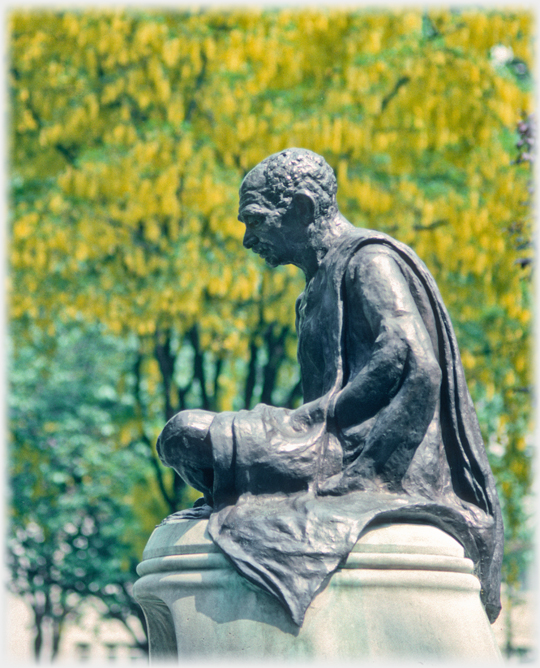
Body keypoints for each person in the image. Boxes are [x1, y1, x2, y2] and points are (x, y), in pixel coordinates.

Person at [157, 148, 503, 626]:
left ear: (299, 208)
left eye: (255, 220)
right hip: (319, 440)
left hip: (343, 449)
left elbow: (415, 364)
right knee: (185, 440)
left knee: (186, 433)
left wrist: (358, 467)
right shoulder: (315, 284)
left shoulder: (369, 261)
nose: (246, 239)